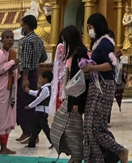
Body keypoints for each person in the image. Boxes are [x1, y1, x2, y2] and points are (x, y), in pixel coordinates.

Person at [79, 13, 128, 163]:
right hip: (96, 85)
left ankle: (120, 151)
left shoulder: (106, 42)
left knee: (95, 126)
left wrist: (92, 68)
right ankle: (100, 157)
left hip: (104, 86)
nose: (89, 30)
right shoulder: (98, 43)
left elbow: (111, 64)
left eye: (91, 27)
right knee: (90, 125)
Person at [53, 25, 87, 163]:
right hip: (71, 97)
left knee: (74, 131)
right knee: (64, 125)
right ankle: (74, 156)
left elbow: (78, 81)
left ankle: (77, 157)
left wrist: (76, 102)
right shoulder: (75, 53)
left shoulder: (79, 54)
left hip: (75, 99)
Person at [15, 15, 45, 145]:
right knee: (31, 102)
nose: (22, 28)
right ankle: (29, 132)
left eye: (22, 25)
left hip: (27, 74)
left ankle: (29, 131)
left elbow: (26, 60)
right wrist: (35, 62)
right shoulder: (38, 39)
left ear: (26, 26)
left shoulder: (27, 40)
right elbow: (44, 56)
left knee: (24, 102)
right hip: (35, 73)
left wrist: (25, 76)